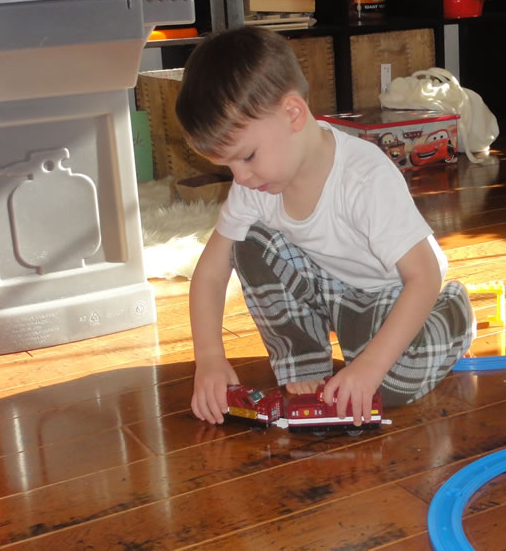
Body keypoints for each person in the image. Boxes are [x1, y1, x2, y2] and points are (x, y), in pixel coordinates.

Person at [176, 26, 475, 427]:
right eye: (228, 165)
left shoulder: (363, 177)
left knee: (390, 385)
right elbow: (211, 274)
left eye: (246, 156)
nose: (240, 177)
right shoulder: (253, 186)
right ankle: (305, 360)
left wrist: (369, 368)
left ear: (293, 114)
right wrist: (210, 359)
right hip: (332, 294)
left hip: (397, 294)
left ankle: (454, 314)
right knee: (245, 242)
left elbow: (423, 276)